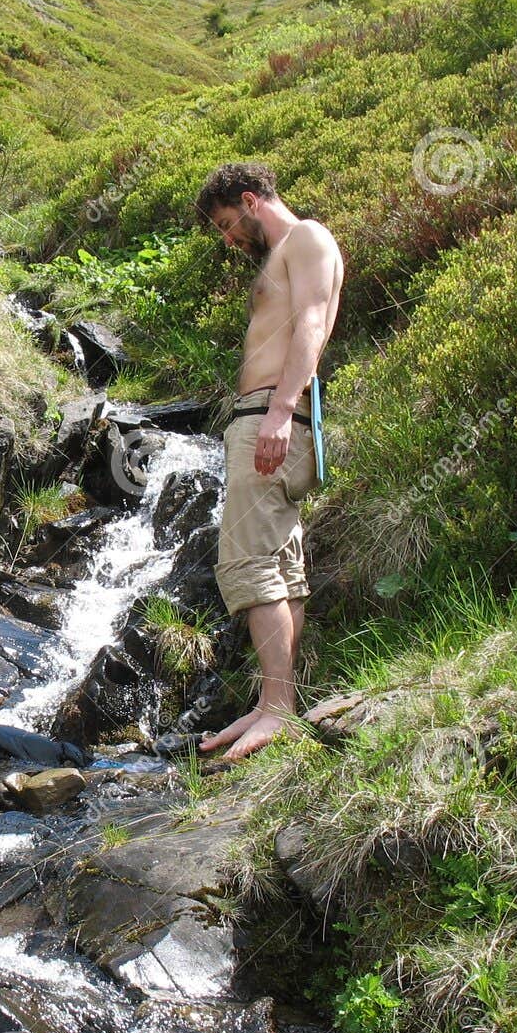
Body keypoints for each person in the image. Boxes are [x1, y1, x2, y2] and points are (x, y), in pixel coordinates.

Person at [192, 162, 344, 762]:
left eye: (229, 224)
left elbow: (311, 322)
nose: (229, 240)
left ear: (252, 201)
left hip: (272, 417)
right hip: (273, 417)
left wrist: (280, 411)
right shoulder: (291, 248)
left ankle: (277, 707)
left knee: (250, 557)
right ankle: (273, 701)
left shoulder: (306, 237)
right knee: (280, 563)